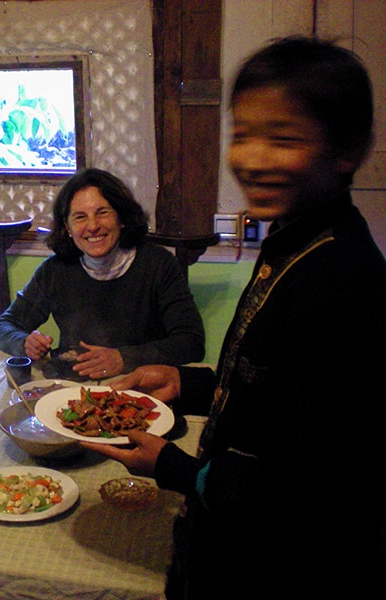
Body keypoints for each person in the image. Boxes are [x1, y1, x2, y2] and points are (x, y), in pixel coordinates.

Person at [82, 36, 386, 599]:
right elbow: (271, 386)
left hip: (279, 566)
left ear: (347, 149)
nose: (252, 158)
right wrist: (184, 382)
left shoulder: (342, 279)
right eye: (242, 134)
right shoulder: (293, 240)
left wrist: (172, 466)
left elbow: (315, 489)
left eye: (284, 138)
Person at [0, 167, 205, 379]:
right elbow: (3, 327)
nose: (92, 226)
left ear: (121, 218)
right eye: (80, 217)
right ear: (68, 227)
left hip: (140, 386)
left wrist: (123, 358)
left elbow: (191, 342)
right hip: (72, 388)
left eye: (102, 212)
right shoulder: (56, 270)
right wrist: (24, 342)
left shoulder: (159, 264)